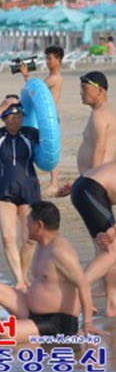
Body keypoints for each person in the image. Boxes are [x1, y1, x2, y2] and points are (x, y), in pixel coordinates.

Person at [0, 201, 101, 341]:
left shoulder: (60, 251)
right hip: (33, 312)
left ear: (39, 226)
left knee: (4, 333)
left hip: (56, 323)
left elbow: (83, 284)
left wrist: (87, 323)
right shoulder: (42, 244)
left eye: (28, 222)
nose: (25, 225)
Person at [58, 71, 116, 315]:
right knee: (109, 248)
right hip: (94, 188)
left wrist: (81, 183)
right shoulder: (101, 115)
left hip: (94, 187)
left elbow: (101, 153)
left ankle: (107, 299)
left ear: (100, 90)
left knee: (107, 248)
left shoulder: (101, 118)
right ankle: (91, 295)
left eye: (85, 89)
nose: (81, 93)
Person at [0, 96, 44, 289]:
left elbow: (51, 135)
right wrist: (1, 107)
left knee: (29, 239)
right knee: (8, 237)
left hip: (28, 189)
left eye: (19, 116)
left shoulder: (30, 133)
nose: (16, 120)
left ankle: (23, 277)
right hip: (4, 190)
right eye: (12, 116)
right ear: (5, 118)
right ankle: (18, 279)